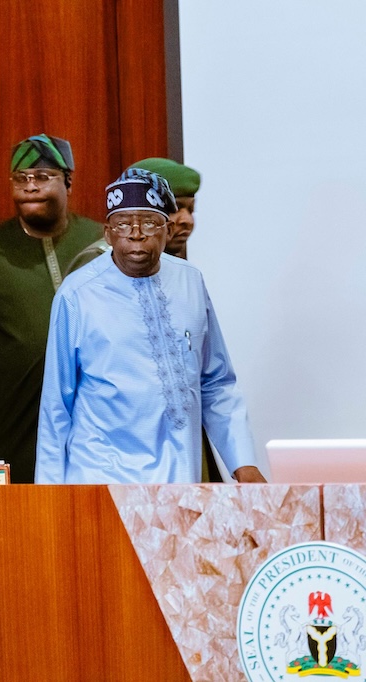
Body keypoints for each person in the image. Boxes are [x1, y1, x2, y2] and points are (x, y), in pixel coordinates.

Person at [35, 169, 267, 484]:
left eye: (149, 223)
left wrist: (244, 464)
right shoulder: (76, 295)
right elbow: (56, 407)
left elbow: (216, 383)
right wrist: (51, 496)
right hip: (101, 478)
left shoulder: (190, 282)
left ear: (167, 230)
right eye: (123, 224)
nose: (136, 233)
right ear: (107, 233)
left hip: (178, 478)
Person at [0, 134, 103, 482]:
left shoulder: (100, 245)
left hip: (97, 438)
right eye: (21, 178)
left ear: (69, 182)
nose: (30, 187)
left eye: (43, 177)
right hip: (12, 437)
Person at [67, 157, 201, 271]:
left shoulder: (180, 268)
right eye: (175, 208)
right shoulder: (100, 259)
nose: (187, 220)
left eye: (191, 209)